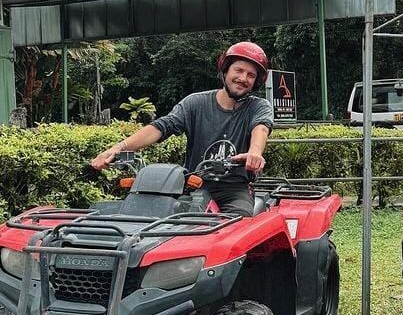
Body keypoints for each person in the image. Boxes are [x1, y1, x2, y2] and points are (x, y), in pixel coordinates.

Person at [91, 41, 274, 216]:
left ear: (256, 81)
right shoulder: (195, 103)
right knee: (158, 222)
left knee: (238, 230)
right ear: (225, 71)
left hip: (234, 189)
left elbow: (261, 128)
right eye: (239, 70)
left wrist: (254, 153)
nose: (243, 78)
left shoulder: (258, 106)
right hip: (194, 184)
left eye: (251, 75)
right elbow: (162, 126)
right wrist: (119, 147)